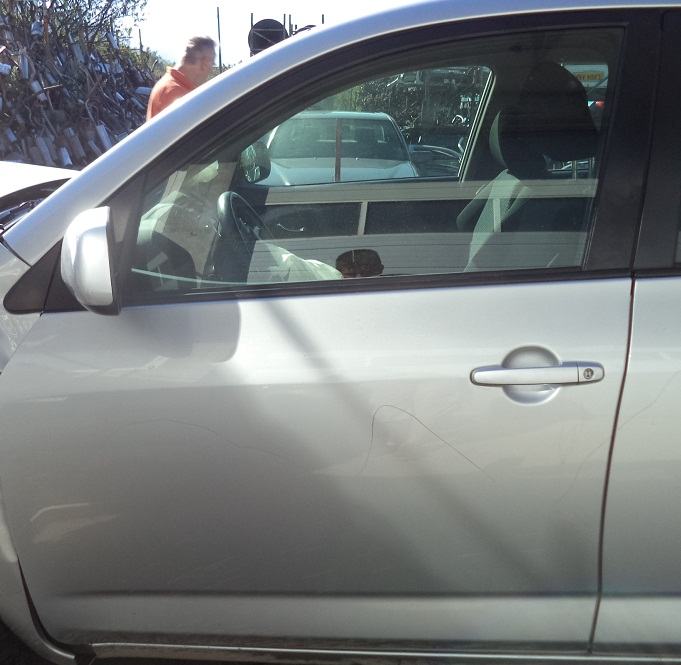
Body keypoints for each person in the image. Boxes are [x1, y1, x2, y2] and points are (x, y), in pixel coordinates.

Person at [146, 36, 216, 120]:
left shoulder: (170, 84)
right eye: (212, 63)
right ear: (204, 64)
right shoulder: (176, 93)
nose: (211, 70)